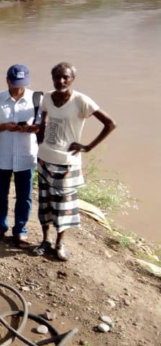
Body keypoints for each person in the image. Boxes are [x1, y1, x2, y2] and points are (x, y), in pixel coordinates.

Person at [33, 62, 116, 261]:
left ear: (72, 79)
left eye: (65, 77)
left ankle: (60, 243)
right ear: (52, 77)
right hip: (45, 159)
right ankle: (45, 240)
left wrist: (87, 147)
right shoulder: (47, 97)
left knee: (63, 207)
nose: (61, 81)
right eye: (57, 77)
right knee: (45, 203)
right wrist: (40, 138)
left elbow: (110, 124)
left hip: (67, 163)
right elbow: (43, 118)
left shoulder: (81, 101)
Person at [0, 65, 41, 247]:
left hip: (26, 156)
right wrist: (4, 126)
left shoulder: (37, 99)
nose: (19, 88)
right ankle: (0, 227)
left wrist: (29, 128)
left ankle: (21, 231)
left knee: (24, 197)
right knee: (0, 195)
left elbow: (43, 127)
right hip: (2, 155)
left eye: (22, 84)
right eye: (15, 83)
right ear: (8, 80)